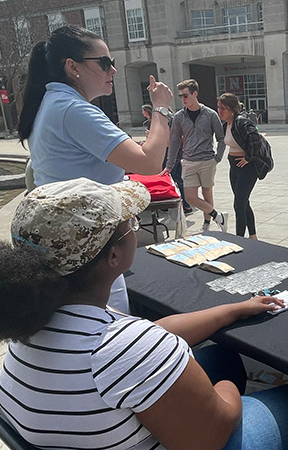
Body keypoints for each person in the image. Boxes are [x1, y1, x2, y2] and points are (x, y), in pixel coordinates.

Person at [0, 177, 288, 450]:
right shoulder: (129, 351)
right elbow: (210, 436)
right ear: (113, 256)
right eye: (130, 224)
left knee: (222, 355)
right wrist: (225, 391)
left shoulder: (36, 322)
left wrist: (231, 310)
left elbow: (146, 334)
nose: (134, 230)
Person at [16, 25, 173, 313]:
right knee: (104, 329)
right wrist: (161, 109)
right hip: (90, 244)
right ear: (72, 67)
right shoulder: (73, 109)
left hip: (71, 238)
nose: (112, 70)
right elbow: (151, 164)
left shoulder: (55, 103)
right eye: (103, 63)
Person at [162, 79, 228, 232]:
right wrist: (169, 166)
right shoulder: (179, 117)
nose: (183, 99)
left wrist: (217, 158)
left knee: (207, 193)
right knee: (190, 197)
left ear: (195, 93)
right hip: (189, 161)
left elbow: (221, 138)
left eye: (185, 95)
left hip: (207, 161)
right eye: (181, 96)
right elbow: (174, 141)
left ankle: (207, 222)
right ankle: (219, 216)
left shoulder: (210, 114)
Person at [217, 93, 263, 239]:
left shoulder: (242, 122)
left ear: (231, 109)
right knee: (243, 202)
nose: (219, 111)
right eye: (218, 107)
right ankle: (253, 236)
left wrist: (249, 158)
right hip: (234, 167)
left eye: (223, 108)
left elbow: (256, 140)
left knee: (238, 205)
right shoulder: (227, 124)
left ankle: (240, 238)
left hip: (247, 169)